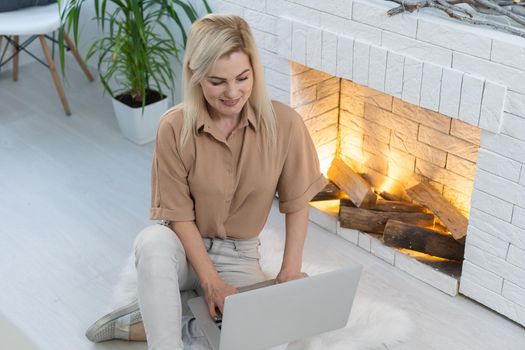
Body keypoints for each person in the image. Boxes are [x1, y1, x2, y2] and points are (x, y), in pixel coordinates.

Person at [84, 13, 326, 350]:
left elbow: (297, 202)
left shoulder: (285, 124)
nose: (232, 93)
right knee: (152, 241)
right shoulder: (173, 127)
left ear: (255, 70)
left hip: (240, 256)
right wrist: (210, 282)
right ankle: (166, 336)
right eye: (217, 82)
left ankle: (151, 319)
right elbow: (178, 216)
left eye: (243, 78)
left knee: (270, 337)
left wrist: (289, 272)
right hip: (183, 249)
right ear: (196, 76)